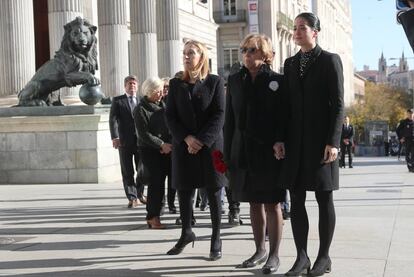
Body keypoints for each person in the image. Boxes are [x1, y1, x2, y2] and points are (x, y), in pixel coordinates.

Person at [275, 12, 344, 276]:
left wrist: (333, 141)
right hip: (294, 144)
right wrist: (280, 138)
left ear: (315, 32)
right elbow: (284, 106)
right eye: (294, 28)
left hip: (321, 145)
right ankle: (302, 257)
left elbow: (338, 105)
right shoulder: (290, 63)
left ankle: (324, 257)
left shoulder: (330, 61)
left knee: (324, 198)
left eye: (302, 28)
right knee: (297, 198)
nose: (296, 32)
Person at [224, 33, 285, 274]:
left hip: (269, 151)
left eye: (251, 50)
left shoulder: (277, 80)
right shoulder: (236, 80)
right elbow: (230, 119)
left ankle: (274, 255)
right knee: (253, 202)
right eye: (244, 50)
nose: (246, 55)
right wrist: (227, 153)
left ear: (264, 53)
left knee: (272, 203)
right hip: (242, 150)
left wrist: (280, 140)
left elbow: (284, 116)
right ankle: (259, 250)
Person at [165, 39, 226, 261]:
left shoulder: (215, 82)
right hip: (184, 146)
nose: (187, 56)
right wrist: (187, 139)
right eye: (184, 53)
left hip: (211, 147)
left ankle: (216, 238)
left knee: (214, 191)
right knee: (184, 190)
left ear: (202, 56)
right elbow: (170, 115)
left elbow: (220, 114)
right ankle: (186, 233)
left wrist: (201, 140)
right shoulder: (175, 84)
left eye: (191, 53)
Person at [133, 77, 172, 229]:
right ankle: (152, 216)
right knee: (155, 184)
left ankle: (158, 213)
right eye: (159, 91)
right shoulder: (140, 109)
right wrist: (161, 144)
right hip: (150, 151)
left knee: (163, 184)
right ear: (150, 91)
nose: (162, 94)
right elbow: (143, 134)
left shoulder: (163, 105)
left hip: (166, 150)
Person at [109, 75, 147, 208]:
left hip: (141, 141)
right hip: (124, 141)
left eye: (134, 84)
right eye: (130, 84)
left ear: (137, 86)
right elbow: (113, 120)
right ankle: (132, 197)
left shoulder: (142, 101)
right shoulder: (118, 101)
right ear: (125, 86)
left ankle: (140, 193)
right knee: (127, 171)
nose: (132, 86)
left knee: (141, 169)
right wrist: (115, 137)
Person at [161, 77, 177, 214]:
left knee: (173, 178)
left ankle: (171, 203)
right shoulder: (158, 102)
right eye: (164, 87)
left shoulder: (175, 101)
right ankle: (162, 204)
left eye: (168, 87)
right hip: (161, 146)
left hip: (173, 144)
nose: (166, 89)